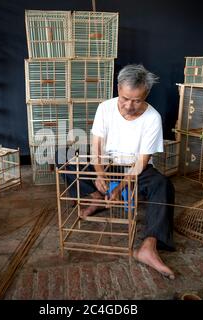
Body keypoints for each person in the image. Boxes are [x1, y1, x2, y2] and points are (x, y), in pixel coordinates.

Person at [63, 64, 176, 279]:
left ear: (146, 94)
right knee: (70, 165)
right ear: (118, 88)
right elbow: (96, 147)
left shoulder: (153, 118)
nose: (129, 105)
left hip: (136, 168)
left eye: (137, 100)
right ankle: (97, 196)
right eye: (125, 98)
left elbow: (142, 161)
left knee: (162, 184)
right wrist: (99, 174)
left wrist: (122, 186)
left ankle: (148, 246)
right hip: (108, 162)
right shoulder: (105, 108)